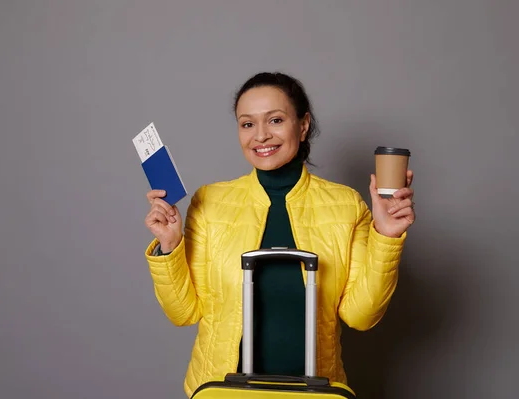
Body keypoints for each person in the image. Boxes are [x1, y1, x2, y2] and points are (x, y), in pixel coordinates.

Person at [143, 72, 415, 398]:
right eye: (247, 124)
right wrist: (169, 244)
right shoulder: (209, 203)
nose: (261, 136)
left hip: (314, 392)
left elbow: (361, 316)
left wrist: (386, 237)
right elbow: (182, 312)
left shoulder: (346, 206)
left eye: (275, 120)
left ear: (302, 125)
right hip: (223, 390)